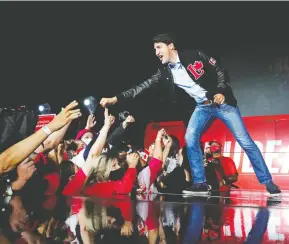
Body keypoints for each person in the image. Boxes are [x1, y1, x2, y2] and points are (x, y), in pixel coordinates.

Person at [99, 33, 281, 196]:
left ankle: (268, 182)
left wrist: (220, 91)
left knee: (245, 141)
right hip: (202, 107)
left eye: (158, 47)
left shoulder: (195, 55)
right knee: (190, 137)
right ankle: (200, 183)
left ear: (170, 46)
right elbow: (142, 87)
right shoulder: (164, 73)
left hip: (223, 104)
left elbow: (219, 71)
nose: (156, 52)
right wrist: (115, 99)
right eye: (154, 49)